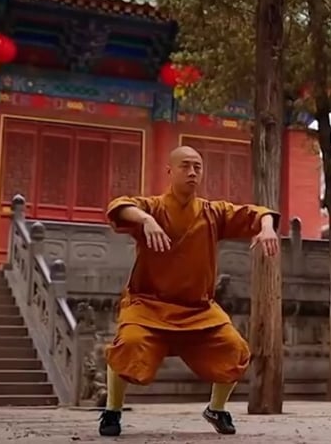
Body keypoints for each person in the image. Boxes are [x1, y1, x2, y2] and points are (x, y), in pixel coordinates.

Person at [98, 145, 280, 437]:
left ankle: (216, 409)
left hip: (198, 310)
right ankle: (112, 411)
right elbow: (119, 205)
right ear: (169, 171)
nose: (193, 172)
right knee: (128, 344)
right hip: (148, 305)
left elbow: (256, 213)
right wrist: (146, 221)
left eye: (197, 166)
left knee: (235, 349)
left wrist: (267, 228)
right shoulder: (153, 207)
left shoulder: (212, 212)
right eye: (185, 166)